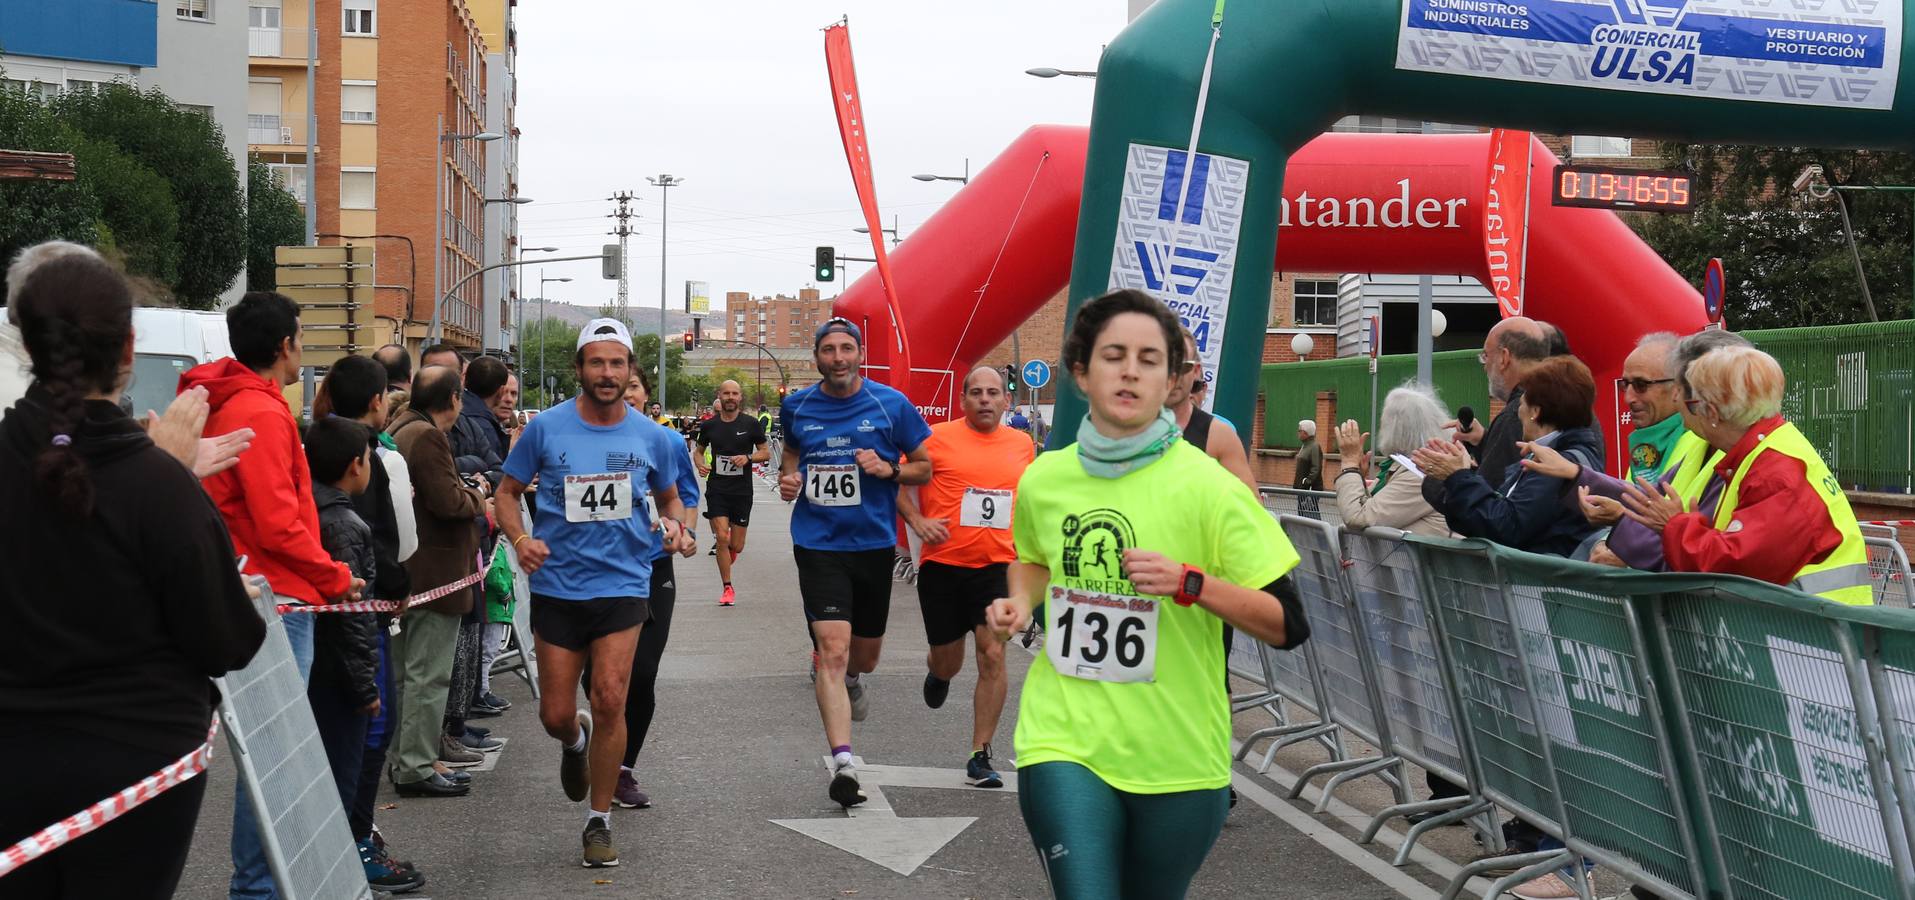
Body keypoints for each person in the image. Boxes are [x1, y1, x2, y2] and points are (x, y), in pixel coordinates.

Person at [983, 289, 1309, 899]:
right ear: (1081, 373)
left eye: (1149, 358)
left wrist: (1193, 583)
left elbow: (1288, 623)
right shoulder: (1046, 478)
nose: (1130, 370)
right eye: (1113, 355)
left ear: (1174, 382)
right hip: (1064, 737)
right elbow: (1032, 559)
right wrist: (1021, 603)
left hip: (1179, 752)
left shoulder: (1211, 488)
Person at [0, 252, 265, 900]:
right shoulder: (160, 486)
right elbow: (226, 642)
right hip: (141, 767)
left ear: (27, 342)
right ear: (128, 346)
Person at [178, 291, 363, 900]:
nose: (302, 346)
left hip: (260, 592)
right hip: (272, 602)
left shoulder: (233, 401)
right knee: (274, 759)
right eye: (300, 335)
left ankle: (262, 887)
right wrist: (333, 576)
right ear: (285, 345)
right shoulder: (257, 409)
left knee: (271, 757)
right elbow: (276, 521)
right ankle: (257, 890)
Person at [497, 319, 693, 867]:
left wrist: (678, 527)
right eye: (596, 363)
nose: (607, 374)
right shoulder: (546, 429)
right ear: (579, 368)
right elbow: (506, 494)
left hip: (624, 584)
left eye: (616, 364)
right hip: (559, 587)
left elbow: (672, 500)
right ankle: (572, 742)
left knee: (610, 697)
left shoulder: (653, 436)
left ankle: (599, 820)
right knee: (556, 713)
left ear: (630, 370)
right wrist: (520, 539)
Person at [777, 317, 933, 808]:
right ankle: (843, 762)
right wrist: (788, 481)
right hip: (818, 544)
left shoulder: (891, 406)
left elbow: (925, 465)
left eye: (847, 348)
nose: (838, 357)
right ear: (817, 358)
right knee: (833, 646)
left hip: (872, 546)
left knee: (862, 657)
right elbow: (790, 457)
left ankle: (850, 679)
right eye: (829, 349)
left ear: (859, 353)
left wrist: (890, 468)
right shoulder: (797, 405)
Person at [1614, 345, 1870, 603]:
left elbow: (1732, 570)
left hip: (1815, 634)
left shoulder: (1774, 474)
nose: (1680, 409)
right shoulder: (1769, 450)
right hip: (1814, 629)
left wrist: (1675, 525)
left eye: (1689, 403)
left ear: (1712, 413)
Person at [310, 355, 426, 888]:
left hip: (348, 628)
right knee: (367, 733)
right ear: (378, 400)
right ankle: (352, 841)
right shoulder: (361, 477)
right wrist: (395, 584)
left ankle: (352, 835)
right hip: (360, 632)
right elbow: (386, 544)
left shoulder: (326, 452)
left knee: (358, 739)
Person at [897, 366, 1032, 788]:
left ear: (1006, 401)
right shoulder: (935, 438)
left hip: (997, 566)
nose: (986, 400)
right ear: (963, 400)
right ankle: (938, 673)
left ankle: (980, 754)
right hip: (944, 565)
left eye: (993, 393)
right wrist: (917, 522)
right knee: (949, 659)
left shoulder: (1023, 444)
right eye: (976, 393)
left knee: (992, 654)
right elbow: (899, 484)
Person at [387, 365, 488, 799]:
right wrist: (478, 494)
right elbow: (447, 501)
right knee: (428, 676)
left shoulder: (403, 426)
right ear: (453, 400)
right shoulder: (427, 436)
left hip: (412, 570)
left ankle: (412, 755)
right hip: (435, 572)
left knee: (408, 675)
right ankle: (415, 765)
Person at [611, 369, 700, 810]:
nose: (626, 394)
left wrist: (683, 532)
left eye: (633, 387)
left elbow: (686, 496)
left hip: (653, 566)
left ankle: (623, 769)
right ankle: (595, 744)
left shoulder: (667, 443)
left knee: (643, 672)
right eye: (619, 387)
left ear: (647, 396)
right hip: (602, 569)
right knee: (602, 678)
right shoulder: (593, 437)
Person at [1414, 356, 1602, 557]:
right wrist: (1464, 472)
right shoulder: (1559, 457)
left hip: (1537, 585)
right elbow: (1506, 511)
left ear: (1535, 412)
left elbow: (1507, 526)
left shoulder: (1554, 465)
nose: (1518, 413)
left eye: (1521, 404)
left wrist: (1459, 477)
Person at [446, 356, 512, 758]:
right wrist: (481, 476)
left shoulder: (475, 420)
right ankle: (453, 721)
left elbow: (498, 470)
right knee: (462, 635)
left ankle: (459, 715)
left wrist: (482, 475)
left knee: (472, 629)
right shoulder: (469, 422)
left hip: (475, 542)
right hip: (462, 544)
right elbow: (451, 470)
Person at [1428, 316, 1550, 494]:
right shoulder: (1564, 404)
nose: (1484, 366)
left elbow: (1488, 503)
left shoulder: (1518, 414)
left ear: (1504, 358)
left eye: (1486, 356)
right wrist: (1484, 440)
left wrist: (1440, 477)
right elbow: (1512, 463)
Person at [1332, 385, 1452, 536]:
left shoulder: (1421, 474)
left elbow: (1359, 518)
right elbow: (1369, 507)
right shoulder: (1405, 468)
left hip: (1430, 559)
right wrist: (1357, 478)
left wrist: (1349, 463)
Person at [695, 379, 770, 607]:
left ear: (740, 397)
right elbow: (698, 452)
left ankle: (729, 554)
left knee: (736, 545)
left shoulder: (751, 424)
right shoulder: (709, 426)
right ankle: (727, 587)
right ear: (719, 395)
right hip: (717, 488)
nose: (730, 397)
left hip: (742, 491)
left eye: (734, 393)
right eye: (726, 393)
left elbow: (765, 453)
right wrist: (700, 464)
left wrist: (747, 458)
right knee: (722, 538)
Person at [1166, 331, 1256, 492]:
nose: (1173, 375)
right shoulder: (1118, 427)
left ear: (1195, 371)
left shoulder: (1218, 435)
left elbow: (1250, 508)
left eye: (1182, 366)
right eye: (1162, 364)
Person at [1293, 420, 1324, 517]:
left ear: (1306, 432)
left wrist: (1306, 481)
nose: (1298, 432)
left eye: (1300, 430)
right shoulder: (1305, 445)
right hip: (1302, 488)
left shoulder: (1314, 446)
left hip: (1309, 489)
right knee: (1303, 514)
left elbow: (1316, 467)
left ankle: (1316, 531)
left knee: (1310, 514)